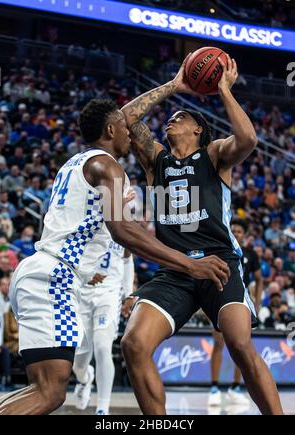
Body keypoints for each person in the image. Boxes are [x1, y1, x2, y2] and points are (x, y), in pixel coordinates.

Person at [0, 99, 227, 415]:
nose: (130, 132)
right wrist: (189, 263)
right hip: (55, 279)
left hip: (40, 273)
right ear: (109, 130)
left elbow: (101, 224)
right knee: (50, 393)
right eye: (123, 126)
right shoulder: (108, 165)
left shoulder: (74, 163)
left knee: (41, 388)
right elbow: (123, 231)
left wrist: (175, 84)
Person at [120, 53, 283, 415]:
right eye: (172, 116)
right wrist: (175, 86)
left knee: (239, 343)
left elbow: (249, 138)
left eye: (182, 116)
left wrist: (223, 89)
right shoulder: (155, 159)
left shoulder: (214, 154)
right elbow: (122, 120)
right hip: (174, 270)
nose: (172, 118)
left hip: (219, 264)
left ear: (198, 129)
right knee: (133, 344)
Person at [73, 241, 135, 415]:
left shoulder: (120, 219)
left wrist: (129, 293)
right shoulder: (81, 219)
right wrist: (86, 274)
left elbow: (127, 258)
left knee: (102, 347)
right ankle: (84, 379)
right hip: (82, 292)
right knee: (79, 362)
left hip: (109, 292)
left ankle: (102, 409)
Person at [208, 218, 263, 406]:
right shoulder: (220, 247)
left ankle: (235, 388)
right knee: (218, 343)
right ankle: (214, 388)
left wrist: (258, 301)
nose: (237, 233)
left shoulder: (250, 254)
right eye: (235, 230)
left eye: (240, 231)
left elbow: (259, 279)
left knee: (242, 346)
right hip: (218, 297)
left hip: (241, 302)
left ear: (245, 235)